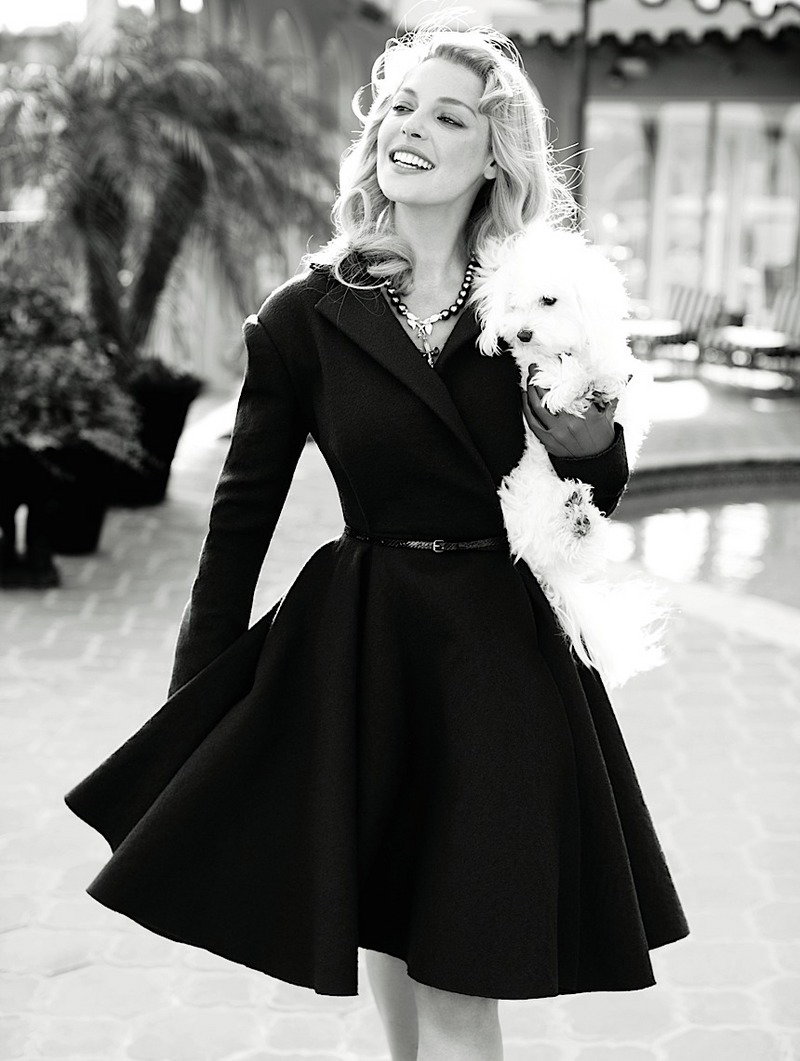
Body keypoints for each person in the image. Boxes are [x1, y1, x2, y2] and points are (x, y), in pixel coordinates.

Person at [64, 14, 690, 1061]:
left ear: (493, 157)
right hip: (363, 647)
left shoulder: (537, 296)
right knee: (400, 943)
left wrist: (586, 434)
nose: (411, 128)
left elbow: (596, 487)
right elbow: (238, 523)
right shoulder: (305, 315)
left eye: (448, 117)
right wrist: (195, 704)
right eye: (400, 107)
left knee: (462, 977)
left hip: (498, 658)